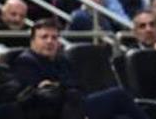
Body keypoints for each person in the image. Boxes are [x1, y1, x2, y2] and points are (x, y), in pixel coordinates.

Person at [13, 18, 148, 119]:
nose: (50, 41)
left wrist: (59, 86)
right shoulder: (26, 61)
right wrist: (63, 88)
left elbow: (76, 85)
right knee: (118, 95)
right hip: (60, 112)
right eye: (44, 37)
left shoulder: (61, 59)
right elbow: (41, 96)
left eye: (54, 38)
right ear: (32, 41)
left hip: (76, 105)